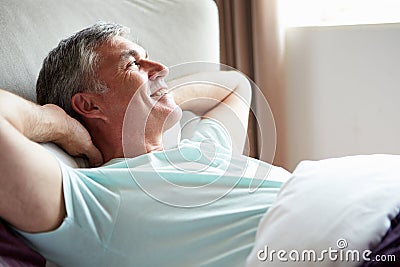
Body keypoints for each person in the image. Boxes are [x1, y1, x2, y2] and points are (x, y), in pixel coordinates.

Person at [0, 22, 290, 266]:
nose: (162, 68)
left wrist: (157, 90)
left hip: (320, 198)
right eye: (133, 63)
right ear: (88, 104)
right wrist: (62, 125)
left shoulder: (199, 149)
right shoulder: (95, 198)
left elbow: (234, 85)